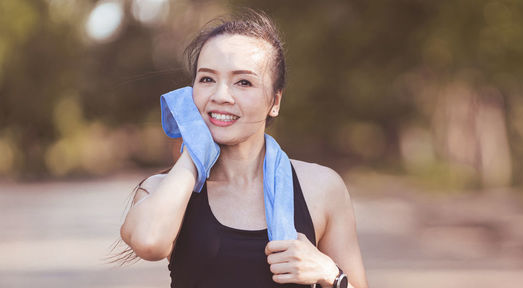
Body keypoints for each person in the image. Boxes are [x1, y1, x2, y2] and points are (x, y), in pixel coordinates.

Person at [119, 10, 368, 288]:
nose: (221, 96)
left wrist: (330, 273)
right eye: (207, 79)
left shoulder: (321, 188)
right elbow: (148, 241)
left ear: (275, 101)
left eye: (244, 82)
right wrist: (194, 153)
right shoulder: (164, 190)